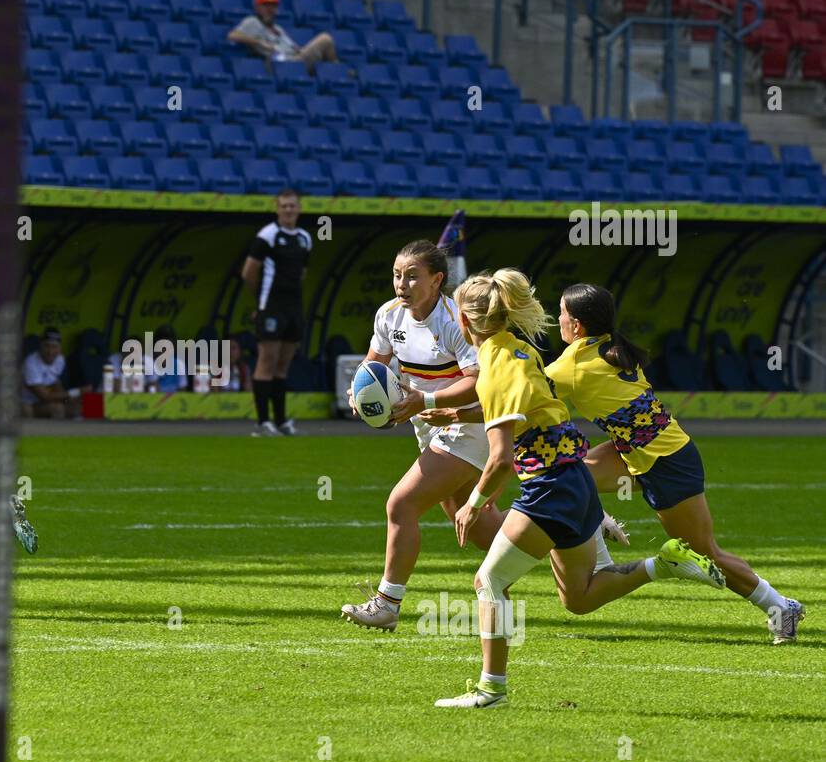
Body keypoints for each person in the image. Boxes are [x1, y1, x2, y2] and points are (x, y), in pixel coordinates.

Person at [425, 282, 806, 644]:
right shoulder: (609, 345)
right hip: (634, 450)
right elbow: (515, 402)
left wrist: (451, 412)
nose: (556, 320)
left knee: (705, 551)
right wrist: (457, 415)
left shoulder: (572, 366)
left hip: (666, 462)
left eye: (560, 313)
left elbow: (512, 398)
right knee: (572, 472)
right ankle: (595, 520)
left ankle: (781, 606)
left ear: (576, 324)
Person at [432, 270, 726, 709]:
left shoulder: (495, 367)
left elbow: (499, 458)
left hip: (551, 486)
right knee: (580, 598)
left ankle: (492, 690)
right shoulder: (518, 349)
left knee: (489, 580)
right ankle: (662, 565)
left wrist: (473, 503)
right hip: (572, 480)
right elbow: (526, 408)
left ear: (465, 321)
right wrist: (460, 417)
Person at [339, 241, 628, 631]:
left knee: (401, 505)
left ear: (437, 280)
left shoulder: (453, 319)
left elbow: (478, 384)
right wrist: (359, 391)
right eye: (396, 274)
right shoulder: (389, 316)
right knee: (480, 530)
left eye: (412, 276)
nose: (401, 284)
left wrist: (422, 398)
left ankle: (387, 603)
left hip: (468, 426)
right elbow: (374, 364)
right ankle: (578, 521)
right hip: (429, 424)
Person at [241, 189, 311, 436]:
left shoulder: (304, 238)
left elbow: (302, 272)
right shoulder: (267, 236)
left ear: (299, 208)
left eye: (293, 206)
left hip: (294, 308)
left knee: (283, 365)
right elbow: (249, 272)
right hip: (271, 307)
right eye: (284, 206)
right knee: (266, 362)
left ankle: (281, 421)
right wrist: (261, 302)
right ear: (277, 208)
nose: (289, 210)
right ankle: (262, 423)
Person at [227, 0, 338, 71]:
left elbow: (293, 47)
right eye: (266, 5)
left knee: (323, 58)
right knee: (325, 39)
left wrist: (301, 50)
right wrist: (259, 42)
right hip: (282, 65)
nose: (270, 9)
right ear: (258, 7)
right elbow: (232, 35)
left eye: (273, 6)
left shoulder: (277, 28)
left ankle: (336, 71)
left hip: (294, 59)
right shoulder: (253, 21)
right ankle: (338, 70)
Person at [22, 327, 80, 418]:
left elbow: (55, 383)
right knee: (57, 408)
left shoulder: (60, 360)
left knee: (79, 406)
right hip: (28, 402)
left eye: (54, 347)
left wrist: (70, 399)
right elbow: (44, 396)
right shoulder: (31, 363)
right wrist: (76, 392)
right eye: (47, 346)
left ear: (60, 348)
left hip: (46, 401)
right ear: (40, 346)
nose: (50, 351)